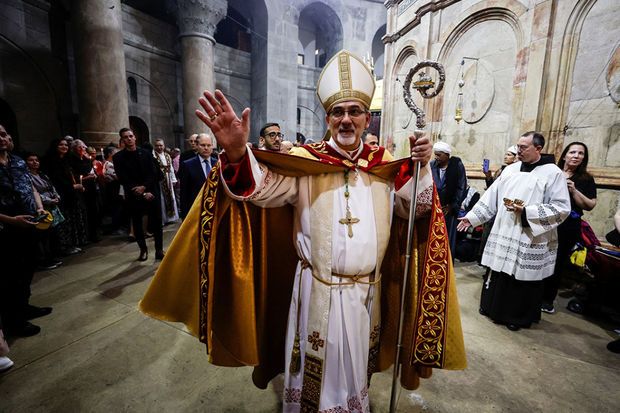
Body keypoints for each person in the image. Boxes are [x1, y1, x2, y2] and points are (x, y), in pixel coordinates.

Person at [140, 50, 465, 412]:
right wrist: (235, 152)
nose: (346, 120)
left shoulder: (385, 167)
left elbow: (416, 211)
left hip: (366, 295)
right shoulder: (306, 164)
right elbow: (259, 190)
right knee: (316, 373)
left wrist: (420, 169)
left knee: (355, 371)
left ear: (366, 120)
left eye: (354, 111)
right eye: (338, 112)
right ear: (327, 118)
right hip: (317, 290)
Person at [458, 131, 571, 331]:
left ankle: (516, 316)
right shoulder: (511, 170)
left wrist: (527, 212)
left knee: (522, 276)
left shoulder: (553, 173)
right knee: (499, 271)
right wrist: (472, 217)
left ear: (538, 148)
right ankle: (491, 308)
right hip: (504, 228)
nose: (519, 150)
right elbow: (491, 196)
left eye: (524, 147)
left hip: (528, 233)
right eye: (518, 146)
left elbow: (562, 207)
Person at [0, 124, 52, 337]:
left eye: (3, 134)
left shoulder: (18, 162)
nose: (1, 138)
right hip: (6, 228)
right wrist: (12, 220)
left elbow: (31, 188)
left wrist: (39, 206)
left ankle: (24, 307)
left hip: (28, 224)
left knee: (28, 268)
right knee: (10, 275)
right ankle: (13, 321)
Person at [541, 142, 597, 313]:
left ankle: (547, 299)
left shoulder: (585, 179)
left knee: (556, 263)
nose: (576, 156)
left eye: (580, 153)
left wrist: (574, 191)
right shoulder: (552, 173)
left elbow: (590, 205)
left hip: (568, 225)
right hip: (548, 220)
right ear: (564, 155)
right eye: (572, 152)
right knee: (540, 257)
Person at [113, 128, 164, 261]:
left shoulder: (146, 153)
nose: (129, 139)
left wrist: (145, 188)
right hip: (133, 195)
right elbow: (123, 178)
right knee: (137, 224)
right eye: (125, 137)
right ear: (122, 140)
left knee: (157, 222)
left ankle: (159, 250)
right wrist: (140, 191)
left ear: (135, 137)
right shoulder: (118, 158)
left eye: (131, 136)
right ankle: (143, 250)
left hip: (151, 192)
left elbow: (153, 173)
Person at [41, 138, 86, 255]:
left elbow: (75, 173)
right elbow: (56, 180)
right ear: (55, 146)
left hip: (71, 195)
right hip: (61, 195)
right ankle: (64, 246)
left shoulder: (67, 160)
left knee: (72, 221)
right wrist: (73, 187)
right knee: (64, 223)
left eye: (66, 145)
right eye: (61, 144)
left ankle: (73, 243)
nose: (64, 147)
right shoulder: (51, 162)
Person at [430, 141, 467, 256]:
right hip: (434, 207)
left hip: (449, 209)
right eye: (435, 154)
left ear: (447, 155)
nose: (436, 157)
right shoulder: (432, 165)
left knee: (447, 237)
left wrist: (452, 206)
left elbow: (461, 187)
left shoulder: (456, 165)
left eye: (439, 155)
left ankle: (447, 261)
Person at [179, 133, 216, 219]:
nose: (206, 148)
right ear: (197, 146)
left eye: (208, 145)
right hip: (196, 211)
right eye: (203, 145)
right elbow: (184, 193)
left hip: (215, 210)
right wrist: (185, 216)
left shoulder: (218, 163)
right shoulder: (187, 165)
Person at [153, 138, 179, 224]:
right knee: (162, 199)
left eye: (161, 145)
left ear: (164, 146)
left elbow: (170, 168)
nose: (159, 147)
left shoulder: (167, 155)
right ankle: (163, 219)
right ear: (154, 146)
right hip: (159, 180)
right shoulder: (153, 156)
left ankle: (171, 218)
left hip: (168, 179)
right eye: (157, 145)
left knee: (171, 197)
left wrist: (173, 179)